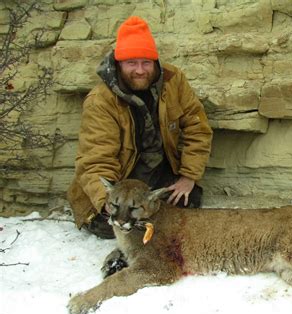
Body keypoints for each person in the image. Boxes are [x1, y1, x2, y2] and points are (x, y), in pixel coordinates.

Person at [67, 16, 213, 238]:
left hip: (156, 172)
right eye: (131, 63)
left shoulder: (174, 80)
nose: (140, 70)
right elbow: (96, 159)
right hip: (121, 179)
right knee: (108, 226)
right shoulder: (100, 100)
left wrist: (188, 177)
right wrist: (109, 202)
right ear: (119, 63)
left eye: (146, 62)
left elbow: (197, 127)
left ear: (155, 62)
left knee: (187, 202)